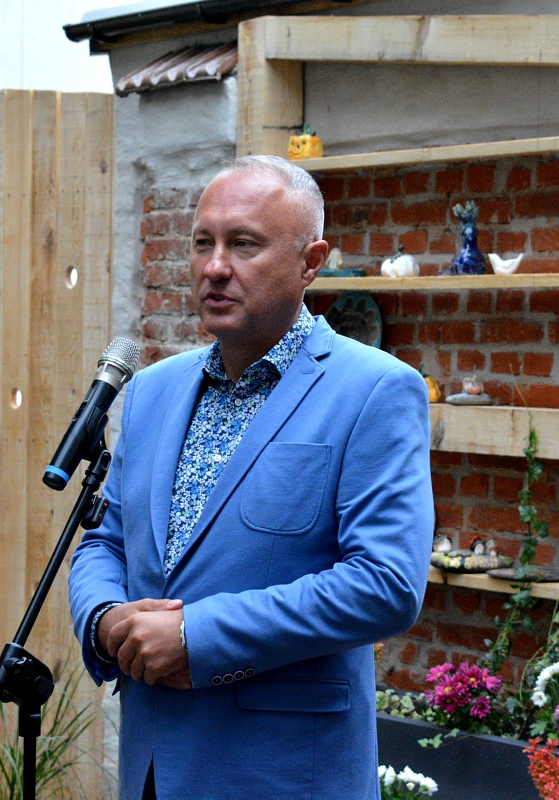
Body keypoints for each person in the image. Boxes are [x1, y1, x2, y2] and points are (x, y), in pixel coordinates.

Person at [67, 155, 433, 800]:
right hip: (152, 768)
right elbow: (106, 540)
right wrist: (103, 619)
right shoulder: (152, 390)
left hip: (283, 775)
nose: (214, 266)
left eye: (243, 244)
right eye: (202, 243)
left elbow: (385, 584)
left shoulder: (374, 390)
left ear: (310, 262)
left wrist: (198, 637)